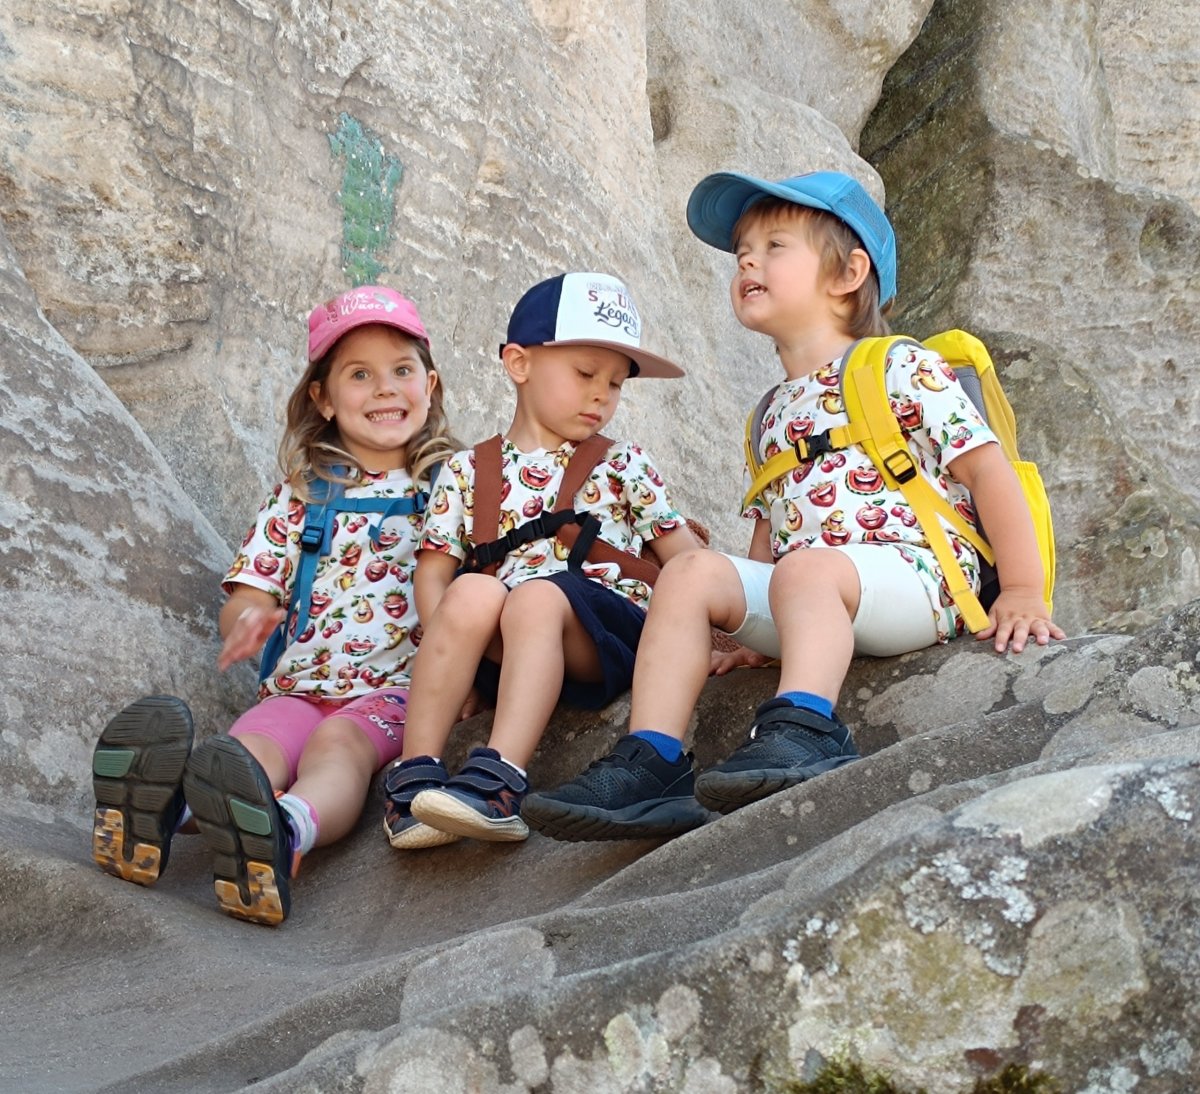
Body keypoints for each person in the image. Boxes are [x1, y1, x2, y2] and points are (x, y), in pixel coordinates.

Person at [520, 170, 1065, 840]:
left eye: (774, 246)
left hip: (918, 581)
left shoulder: (899, 365)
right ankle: (652, 761)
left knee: (806, 569)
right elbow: (772, 523)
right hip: (813, 587)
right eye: (742, 251)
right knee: (688, 571)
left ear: (848, 274)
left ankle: (806, 728)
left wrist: (1023, 590)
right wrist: (748, 629)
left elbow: (989, 473)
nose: (748, 261)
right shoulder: (768, 411)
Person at [91, 284, 457, 924]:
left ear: (430, 385)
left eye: (402, 370)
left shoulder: (456, 487)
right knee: (247, 751)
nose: (384, 389)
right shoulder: (301, 495)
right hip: (298, 685)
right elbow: (250, 593)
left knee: (339, 748)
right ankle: (159, 817)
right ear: (322, 398)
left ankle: (285, 830)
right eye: (359, 375)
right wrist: (249, 621)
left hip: (398, 691)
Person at [382, 271, 705, 850]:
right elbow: (432, 577)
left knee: (535, 597)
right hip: (508, 642)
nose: (601, 395)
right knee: (470, 590)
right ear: (519, 363)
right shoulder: (464, 471)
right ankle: (417, 775)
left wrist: (725, 636)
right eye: (585, 374)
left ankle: (500, 783)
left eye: (615, 383)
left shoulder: (623, 463)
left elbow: (687, 561)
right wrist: (459, 669)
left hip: (604, 635)